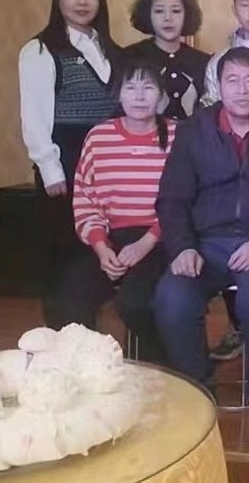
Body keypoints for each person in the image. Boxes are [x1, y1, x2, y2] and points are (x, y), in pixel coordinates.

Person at [154, 47, 249, 429]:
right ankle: (197, 390)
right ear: (218, 86)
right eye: (233, 81)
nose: (242, 90)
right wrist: (182, 247)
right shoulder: (194, 131)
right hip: (205, 242)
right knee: (171, 298)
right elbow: (172, 198)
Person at [47, 59, 176, 363]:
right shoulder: (99, 137)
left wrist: (147, 242)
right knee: (67, 298)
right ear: (119, 94)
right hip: (110, 238)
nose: (139, 96)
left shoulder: (178, 135)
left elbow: (185, 200)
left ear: (161, 96)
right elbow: (86, 198)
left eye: (148, 88)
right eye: (131, 88)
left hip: (161, 238)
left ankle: (156, 373)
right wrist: (101, 248)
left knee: (138, 302)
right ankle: (90, 368)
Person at [19, 0, 121, 324]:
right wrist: (50, 168)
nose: (82, 2)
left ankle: (92, 341)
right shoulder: (41, 50)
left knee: (95, 259)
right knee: (66, 262)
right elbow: (34, 116)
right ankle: (65, 342)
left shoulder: (108, 48)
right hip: (65, 166)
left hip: (106, 168)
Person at [124, 0, 210, 120]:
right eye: (159, 11)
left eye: (176, 11)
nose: (168, 18)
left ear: (187, 14)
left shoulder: (204, 62)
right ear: (148, 14)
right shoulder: (129, 58)